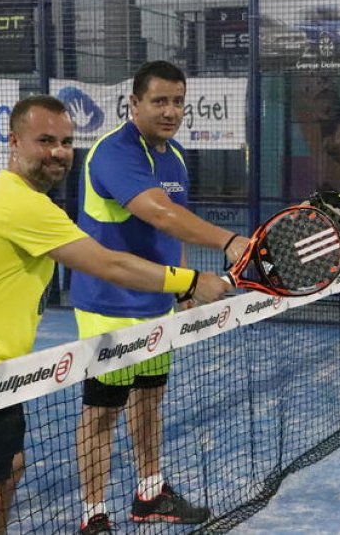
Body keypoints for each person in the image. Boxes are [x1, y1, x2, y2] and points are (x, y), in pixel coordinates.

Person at [0, 95, 230, 535]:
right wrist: (190, 282)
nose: (58, 152)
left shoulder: (25, 200)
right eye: (45, 141)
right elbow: (110, 265)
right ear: (14, 142)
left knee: (6, 476)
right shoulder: (19, 204)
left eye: (65, 142)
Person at [69, 61, 250, 535]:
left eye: (177, 102)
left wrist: (182, 289)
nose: (170, 111)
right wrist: (229, 241)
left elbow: (173, 226)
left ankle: (149, 493)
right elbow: (159, 214)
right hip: (109, 306)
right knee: (103, 412)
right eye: (159, 101)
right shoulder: (114, 152)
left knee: (150, 400)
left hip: (158, 303)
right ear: (134, 103)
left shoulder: (175, 156)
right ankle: (93, 516)